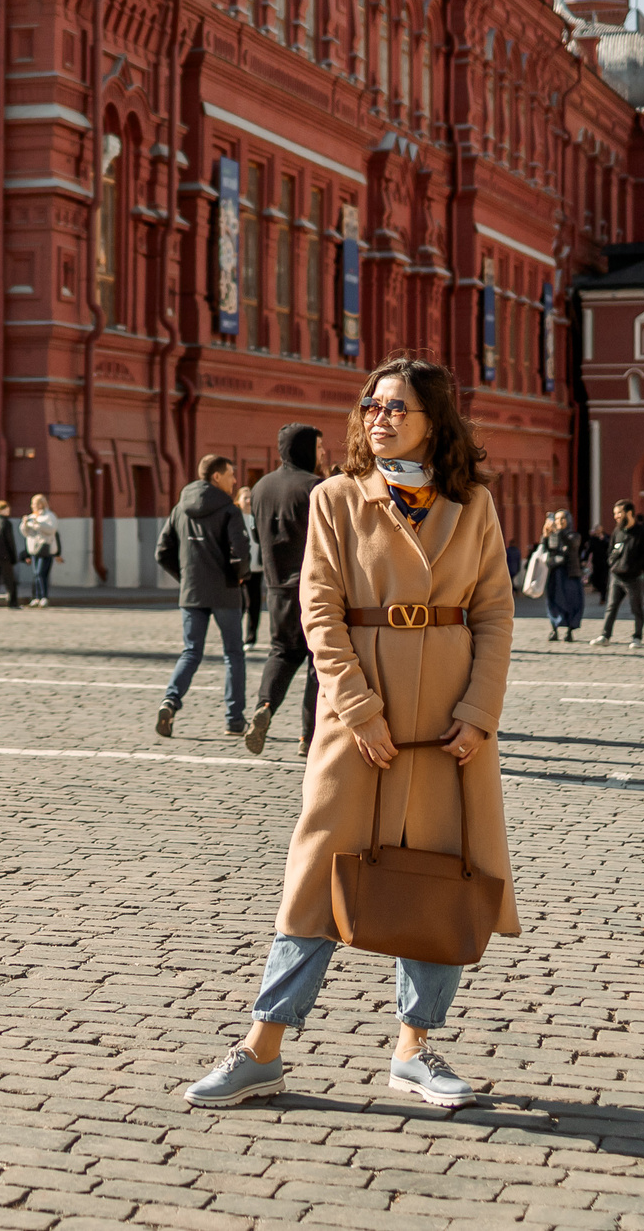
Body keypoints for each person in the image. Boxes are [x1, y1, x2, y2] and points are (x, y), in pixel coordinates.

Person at [179, 353, 516, 1112]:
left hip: (445, 729)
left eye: (396, 405)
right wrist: (358, 710)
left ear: (435, 419)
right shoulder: (337, 496)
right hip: (359, 722)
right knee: (316, 878)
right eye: (372, 404)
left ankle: (416, 1050)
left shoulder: (475, 503)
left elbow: (493, 609)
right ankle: (261, 1046)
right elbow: (318, 609)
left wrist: (478, 711)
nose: (378, 415)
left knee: (437, 879)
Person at [154, 454, 253, 739]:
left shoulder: (180, 508)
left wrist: (185, 577)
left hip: (192, 591)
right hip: (225, 590)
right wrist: (240, 574)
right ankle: (234, 720)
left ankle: (170, 702)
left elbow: (161, 551)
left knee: (191, 652)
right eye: (231, 474)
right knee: (233, 654)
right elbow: (241, 552)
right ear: (216, 477)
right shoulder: (229, 510)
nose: (235, 480)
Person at [249, 423, 325, 757]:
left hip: (276, 587)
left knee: (281, 652)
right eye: (320, 448)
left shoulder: (260, 487)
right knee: (318, 662)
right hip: (313, 587)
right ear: (306, 449)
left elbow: (255, 537)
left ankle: (264, 704)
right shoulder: (316, 488)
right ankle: (308, 737)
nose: (324, 455)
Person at [588, 499, 644, 649]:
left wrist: (636, 568)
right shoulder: (617, 531)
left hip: (634, 578)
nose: (616, 516)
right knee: (611, 607)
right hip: (616, 577)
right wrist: (613, 565)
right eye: (615, 514)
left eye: (619, 513)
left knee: (636, 608)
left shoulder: (643, 533)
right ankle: (605, 636)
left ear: (629, 513)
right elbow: (610, 551)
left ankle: (637, 637)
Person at [540, 511, 585, 641]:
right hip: (555, 573)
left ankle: (570, 631)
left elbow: (572, 544)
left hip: (570, 573)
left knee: (573, 602)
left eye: (563, 518)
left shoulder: (574, 535)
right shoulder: (551, 534)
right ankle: (554, 629)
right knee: (554, 601)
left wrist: (557, 532)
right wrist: (545, 536)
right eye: (557, 518)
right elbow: (545, 550)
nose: (559, 521)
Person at [236, 483, 265, 649]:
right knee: (239, 603)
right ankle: (235, 635)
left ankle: (251, 637)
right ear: (238, 500)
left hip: (257, 568)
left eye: (250, 498)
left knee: (254, 603)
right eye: (245, 497)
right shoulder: (236, 518)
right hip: (241, 568)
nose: (248, 501)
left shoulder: (257, 516)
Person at [21, 494, 62, 607]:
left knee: (41, 573)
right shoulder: (32, 516)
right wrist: (25, 524)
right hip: (33, 549)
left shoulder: (49, 516)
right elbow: (25, 533)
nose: (32, 506)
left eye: (34, 504)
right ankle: (36, 597)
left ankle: (44, 597)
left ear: (40, 504)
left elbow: (51, 529)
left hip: (45, 548)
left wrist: (37, 525)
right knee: (36, 574)